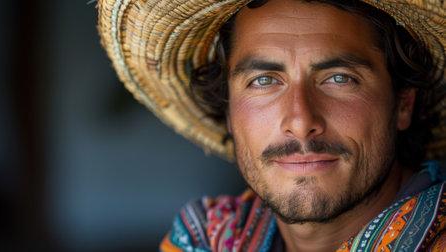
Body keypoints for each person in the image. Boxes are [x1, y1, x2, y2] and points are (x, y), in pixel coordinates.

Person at [97, 0, 446, 250]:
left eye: (339, 78)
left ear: (403, 103)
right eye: (264, 80)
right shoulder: (208, 238)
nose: (300, 121)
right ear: (229, 110)